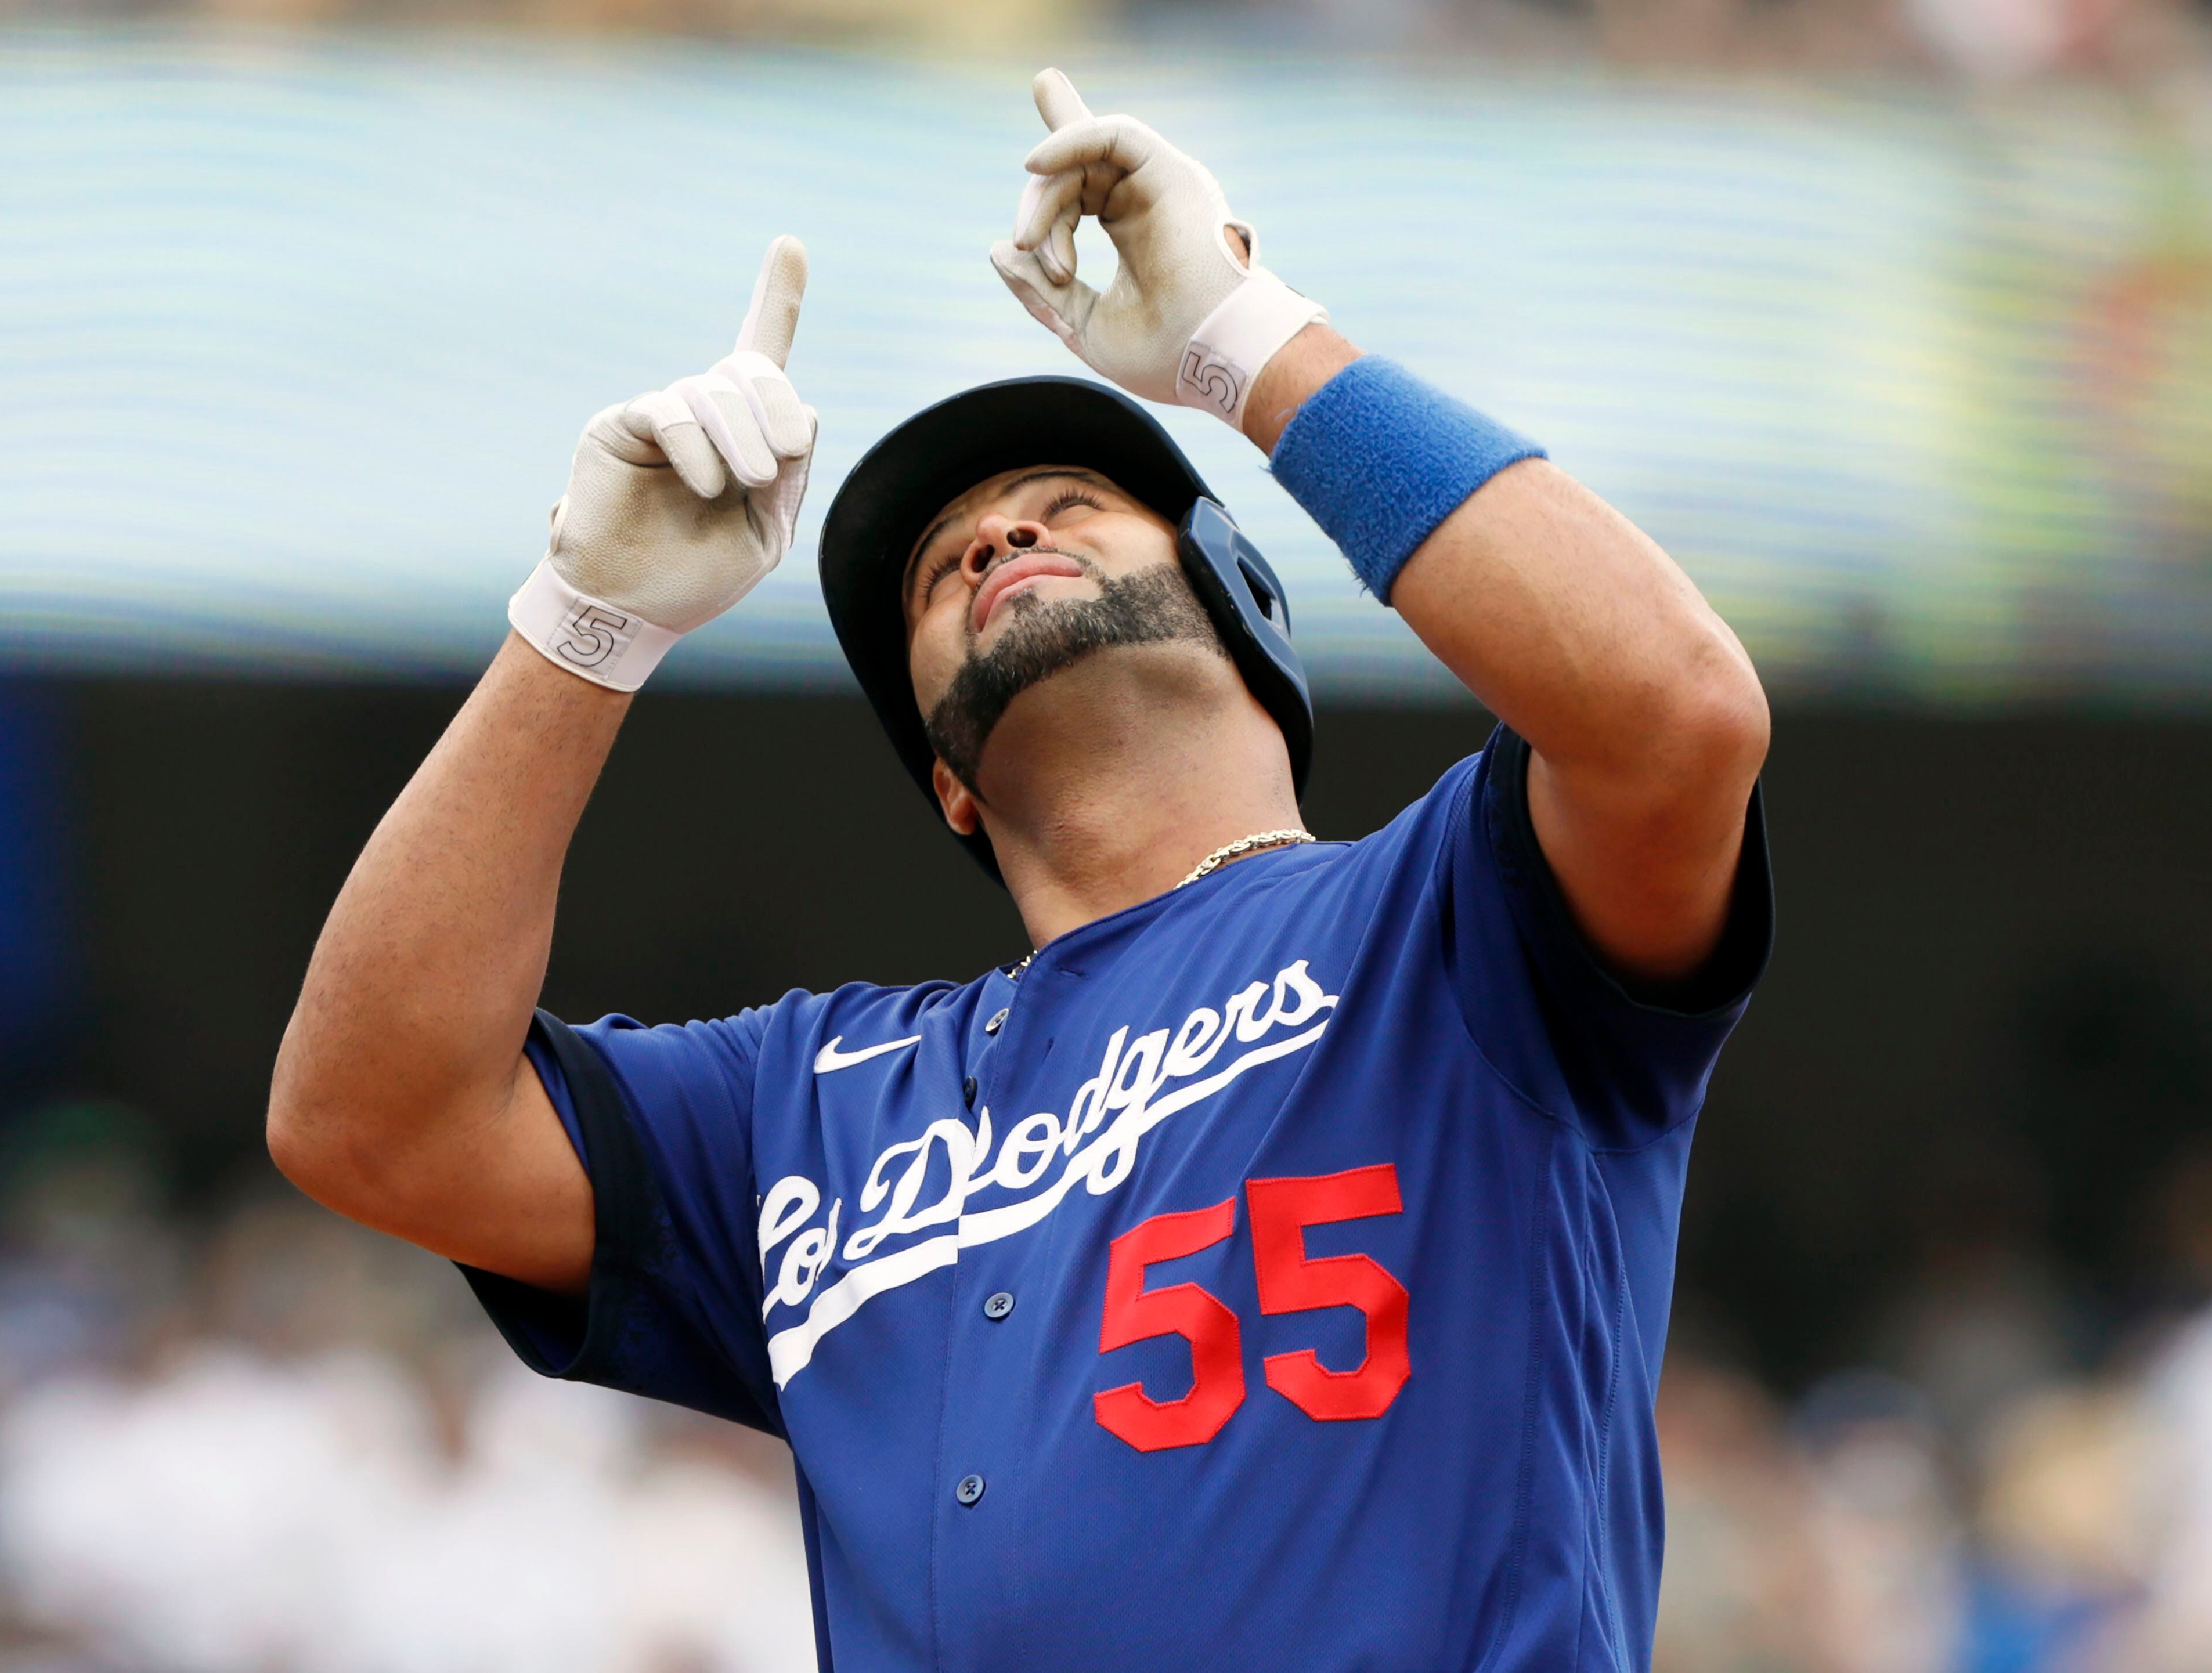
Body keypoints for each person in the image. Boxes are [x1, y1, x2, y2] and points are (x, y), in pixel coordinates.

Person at [268, 68, 1772, 1673]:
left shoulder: (1452, 920)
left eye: (1069, 509)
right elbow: (372, 1118)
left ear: (1250, 607)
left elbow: (1672, 713)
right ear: (947, 784)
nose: (992, 543)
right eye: (938, 572)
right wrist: (587, 616)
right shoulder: (815, 1094)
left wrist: (1242, 339)